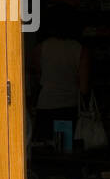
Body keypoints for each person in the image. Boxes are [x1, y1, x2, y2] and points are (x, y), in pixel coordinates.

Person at [31, 8, 90, 145]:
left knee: (44, 149)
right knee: (67, 150)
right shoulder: (80, 50)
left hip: (46, 104)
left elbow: (37, 76)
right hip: (70, 105)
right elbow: (84, 88)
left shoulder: (40, 48)